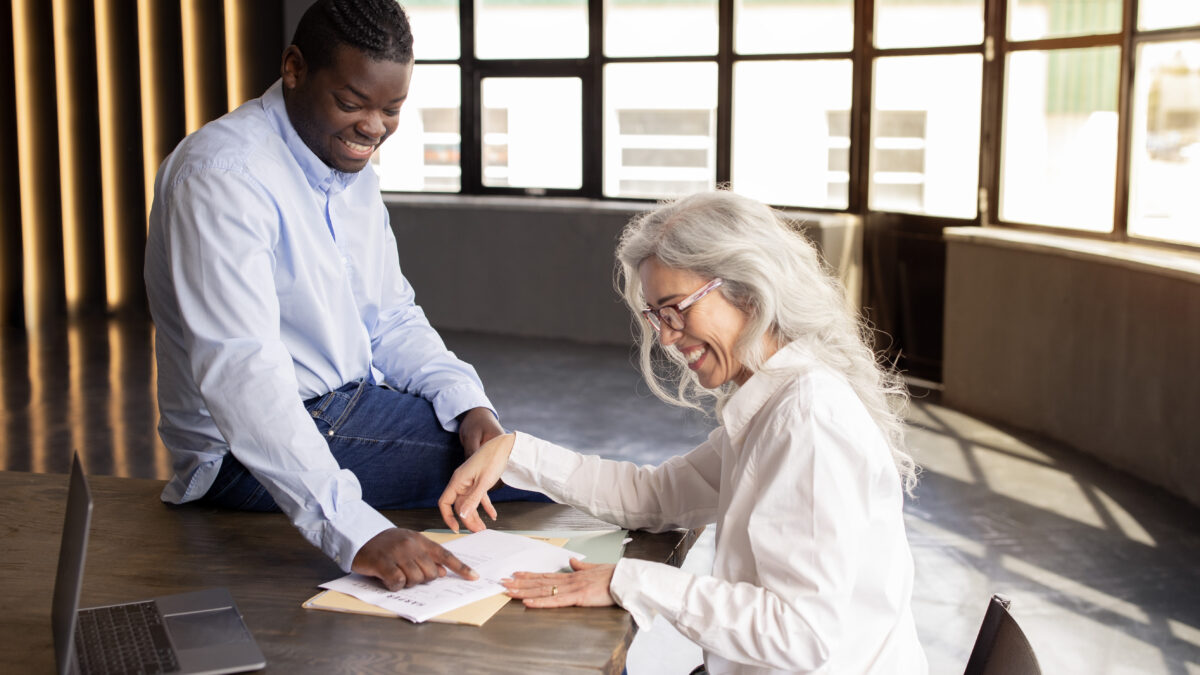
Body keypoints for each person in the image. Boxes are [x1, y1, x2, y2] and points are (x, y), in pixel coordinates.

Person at [438, 190, 928, 673]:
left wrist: (629, 581)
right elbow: (656, 496)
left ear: (750, 291)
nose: (667, 336)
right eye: (655, 316)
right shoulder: (776, 400)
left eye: (675, 309)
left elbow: (801, 632)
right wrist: (515, 450)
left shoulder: (807, 420)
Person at [144, 0, 541, 592]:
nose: (373, 129)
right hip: (240, 455)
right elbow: (241, 372)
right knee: (534, 475)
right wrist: (356, 531)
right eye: (352, 104)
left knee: (511, 455)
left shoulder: (348, 170)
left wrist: (465, 402)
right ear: (295, 68)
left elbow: (391, 319)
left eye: (392, 109)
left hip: (345, 407)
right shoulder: (223, 177)